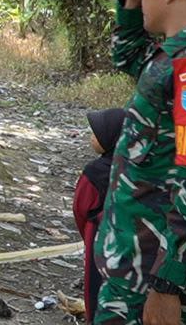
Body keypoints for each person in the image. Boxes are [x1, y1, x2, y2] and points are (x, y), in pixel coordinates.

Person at [95, 0, 186, 325]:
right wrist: (131, 5)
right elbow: (130, 58)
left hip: (151, 271)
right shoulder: (173, 56)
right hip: (136, 261)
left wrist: (168, 283)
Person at [73, 108, 125, 324]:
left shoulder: (94, 172)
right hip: (129, 242)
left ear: (110, 138)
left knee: (95, 288)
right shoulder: (135, 169)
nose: (91, 137)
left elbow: (80, 209)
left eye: (96, 134)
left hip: (98, 236)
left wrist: (88, 236)